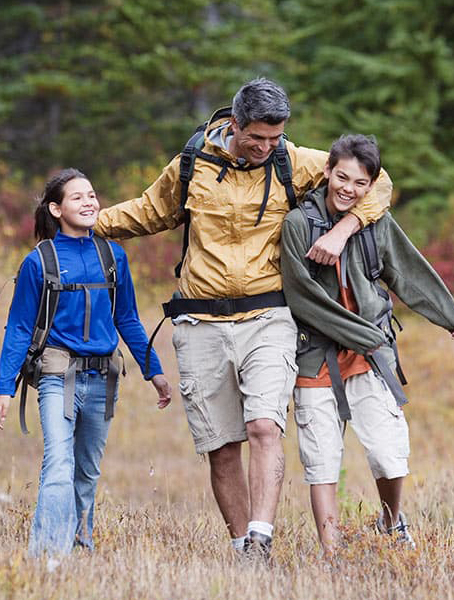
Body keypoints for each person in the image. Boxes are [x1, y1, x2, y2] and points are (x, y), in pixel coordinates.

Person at [93, 77, 393, 557]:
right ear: (234, 124)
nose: (266, 147)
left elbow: (378, 181)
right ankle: (241, 548)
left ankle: (262, 536)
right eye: (257, 138)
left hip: (268, 316)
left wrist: (345, 228)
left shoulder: (291, 161)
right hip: (198, 321)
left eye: (275, 138)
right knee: (222, 444)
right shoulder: (192, 165)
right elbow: (147, 212)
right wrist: (85, 223)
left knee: (264, 427)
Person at [280, 134, 454, 553]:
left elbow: (407, 269)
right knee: (322, 460)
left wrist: (449, 317)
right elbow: (301, 297)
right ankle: (331, 553)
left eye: (360, 183)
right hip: (316, 356)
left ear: (371, 186)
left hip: (369, 360)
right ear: (326, 171)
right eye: (342, 177)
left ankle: (390, 522)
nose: (348, 188)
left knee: (388, 452)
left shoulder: (374, 223)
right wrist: (365, 335)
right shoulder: (298, 225)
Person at [0, 168, 172, 557]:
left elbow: (127, 319)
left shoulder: (113, 256)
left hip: (103, 378)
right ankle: (49, 556)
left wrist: (153, 370)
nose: (89, 202)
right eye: (78, 197)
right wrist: (5, 388)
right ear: (56, 209)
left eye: (92, 195)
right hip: (58, 375)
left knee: (86, 472)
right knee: (58, 464)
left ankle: (81, 544)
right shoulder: (39, 261)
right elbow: (19, 328)